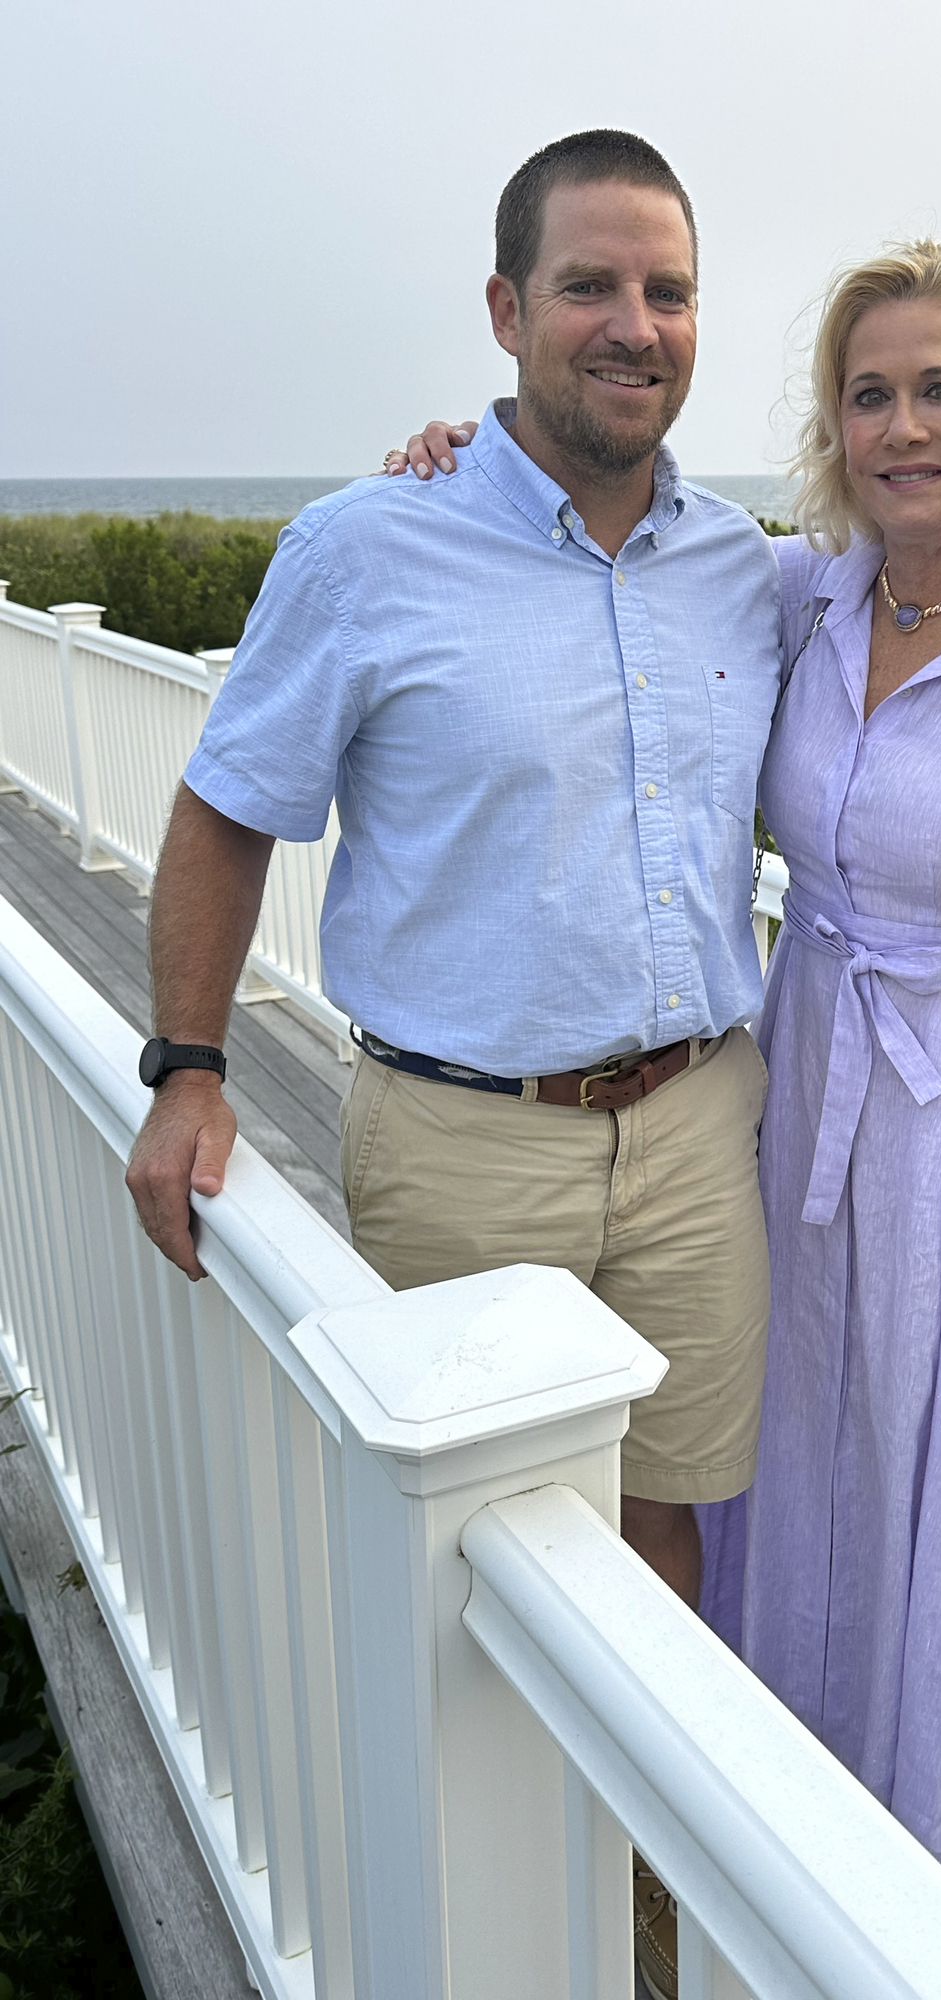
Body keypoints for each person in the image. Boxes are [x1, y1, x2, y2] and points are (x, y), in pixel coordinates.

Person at [397, 236, 941, 1925]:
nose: (901, 427)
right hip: (814, 1060)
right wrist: (456, 462)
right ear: (832, 428)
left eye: (939, 392)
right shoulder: (803, 594)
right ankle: (806, 1737)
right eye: (867, 395)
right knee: (813, 1414)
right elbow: (603, 561)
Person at [124, 129, 783, 1622]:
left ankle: (637, 1869)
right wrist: (189, 1068)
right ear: (505, 310)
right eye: (589, 286)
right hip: (465, 1146)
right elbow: (228, 811)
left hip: (698, 1130)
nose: (635, 325)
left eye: (668, 292)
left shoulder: (748, 566)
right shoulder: (366, 549)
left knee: (670, 1520)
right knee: (471, 1561)